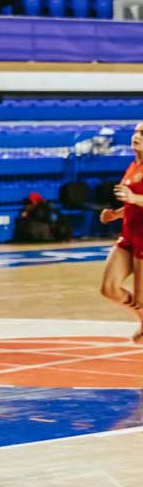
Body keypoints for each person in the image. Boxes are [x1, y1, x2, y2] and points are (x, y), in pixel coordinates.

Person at [100, 122, 143, 344]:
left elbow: (135, 199)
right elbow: (132, 204)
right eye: (136, 131)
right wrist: (115, 214)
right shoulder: (133, 165)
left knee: (142, 298)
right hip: (129, 235)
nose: (137, 135)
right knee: (109, 288)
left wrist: (133, 198)